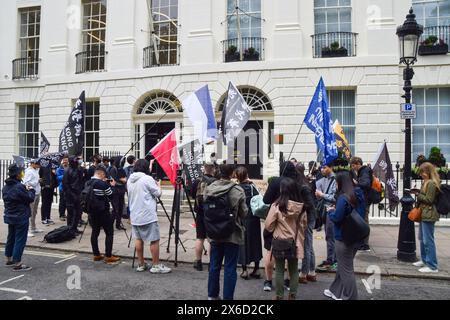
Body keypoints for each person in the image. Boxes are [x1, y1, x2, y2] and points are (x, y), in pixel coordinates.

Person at [205, 164, 247, 300]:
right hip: (232, 233)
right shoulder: (237, 190)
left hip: (214, 232)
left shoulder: (209, 188)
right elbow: (244, 212)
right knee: (230, 268)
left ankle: (212, 295)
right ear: (232, 173)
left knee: (214, 265)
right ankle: (228, 298)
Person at [324, 171, 365, 300]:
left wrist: (331, 212)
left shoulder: (343, 198)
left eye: (336, 182)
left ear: (341, 183)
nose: (335, 185)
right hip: (356, 234)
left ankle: (351, 297)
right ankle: (335, 291)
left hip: (343, 237)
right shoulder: (358, 194)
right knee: (343, 265)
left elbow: (337, 218)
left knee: (346, 270)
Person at [265, 178, 307, 300]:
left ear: (282, 190)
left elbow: (268, 225)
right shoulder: (301, 207)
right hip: (295, 241)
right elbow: (304, 224)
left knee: (279, 269)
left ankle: (279, 296)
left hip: (280, 240)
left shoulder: (277, 206)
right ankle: (292, 295)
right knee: (293, 270)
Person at [127, 159, 171, 274]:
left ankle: (141, 264)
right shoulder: (147, 179)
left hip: (135, 214)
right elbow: (158, 193)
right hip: (147, 215)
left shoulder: (130, 180)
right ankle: (155, 265)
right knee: (154, 240)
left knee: (138, 239)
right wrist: (159, 185)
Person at [262, 161, 298, 292]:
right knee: (290, 252)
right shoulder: (296, 183)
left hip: (275, 219)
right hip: (292, 222)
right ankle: (288, 281)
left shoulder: (275, 182)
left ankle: (268, 281)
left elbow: (266, 200)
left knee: (270, 251)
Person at [3, 164, 36, 271]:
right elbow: (30, 198)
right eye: (21, 172)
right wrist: (31, 190)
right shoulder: (19, 187)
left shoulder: (5, 187)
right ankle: (18, 263)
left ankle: (9, 258)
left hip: (10, 215)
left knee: (11, 237)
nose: (22, 174)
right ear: (17, 175)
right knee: (20, 239)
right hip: (20, 216)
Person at [86, 166, 121, 265]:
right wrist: (112, 185)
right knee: (109, 232)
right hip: (103, 212)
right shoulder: (102, 184)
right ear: (101, 174)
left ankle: (96, 254)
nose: (104, 177)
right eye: (104, 175)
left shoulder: (88, 182)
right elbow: (111, 195)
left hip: (92, 212)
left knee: (95, 232)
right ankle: (108, 256)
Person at [411, 162, 441, 273]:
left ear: (428, 172)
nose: (421, 175)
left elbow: (429, 200)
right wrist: (418, 192)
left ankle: (432, 266)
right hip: (424, 213)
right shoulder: (426, 182)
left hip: (429, 214)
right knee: (422, 239)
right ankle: (424, 260)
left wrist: (418, 194)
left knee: (428, 240)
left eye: (422, 172)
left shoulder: (432, 183)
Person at [235, 166, 263, 280]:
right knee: (255, 242)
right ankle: (256, 269)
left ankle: (245, 270)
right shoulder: (252, 187)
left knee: (242, 243)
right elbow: (260, 199)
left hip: (242, 218)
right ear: (247, 175)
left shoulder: (236, 188)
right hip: (254, 218)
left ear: (237, 177)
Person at [191, 163, 216, 271]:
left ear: (204, 169)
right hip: (212, 213)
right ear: (213, 170)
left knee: (200, 238)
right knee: (211, 239)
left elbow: (192, 194)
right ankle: (212, 263)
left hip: (200, 213)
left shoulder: (197, 181)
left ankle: (198, 262)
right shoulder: (216, 182)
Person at [296, 163, 318, 284]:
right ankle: (312, 272)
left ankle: (304, 273)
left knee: (307, 245)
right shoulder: (305, 182)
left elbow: (309, 204)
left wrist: (299, 207)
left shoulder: (303, 185)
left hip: (308, 218)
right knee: (309, 244)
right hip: (309, 217)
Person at [315, 163, 337, 273]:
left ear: (331, 167)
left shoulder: (335, 179)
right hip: (325, 210)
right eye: (321, 167)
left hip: (331, 210)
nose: (322, 169)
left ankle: (332, 261)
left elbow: (334, 197)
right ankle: (331, 259)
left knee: (331, 236)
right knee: (329, 236)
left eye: (324, 167)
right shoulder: (325, 179)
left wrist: (322, 194)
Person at [350, 157, 372, 251]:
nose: (353, 167)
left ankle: (365, 244)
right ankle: (362, 242)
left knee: (364, 221)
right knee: (362, 220)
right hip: (363, 199)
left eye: (353, 165)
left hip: (365, 200)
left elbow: (366, 184)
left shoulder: (364, 171)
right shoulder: (363, 171)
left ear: (358, 163)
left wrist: (357, 183)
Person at [63, 156, 85, 234]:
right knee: (71, 213)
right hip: (70, 195)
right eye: (75, 161)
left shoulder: (78, 169)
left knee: (78, 212)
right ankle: (70, 229)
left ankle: (75, 228)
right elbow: (65, 184)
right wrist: (72, 194)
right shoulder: (67, 171)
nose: (77, 162)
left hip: (78, 193)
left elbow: (81, 180)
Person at [23, 159, 42, 237]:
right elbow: (26, 183)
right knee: (29, 212)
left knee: (34, 211)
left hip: (37, 193)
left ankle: (33, 227)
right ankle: (27, 230)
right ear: (33, 164)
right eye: (37, 164)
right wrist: (37, 181)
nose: (39, 165)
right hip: (31, 194)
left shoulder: (35, 170)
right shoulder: (29, 172)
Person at [109, 156, 127, 230]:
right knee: (115, 209)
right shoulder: (112, 169)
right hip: (115, 192)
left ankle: (118, 224)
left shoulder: (122, 169)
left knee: (120, 209)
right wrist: (120, 180)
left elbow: (125, 179)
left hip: (121, 191)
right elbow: (113, 180)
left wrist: (121, 180)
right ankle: (110, 224)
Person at [56, 157, 69, 221]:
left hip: (69, 188)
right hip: (62, 187)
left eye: (66, 160)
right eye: (64, 160)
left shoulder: (69, 167)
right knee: (62, 202)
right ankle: (61, 214)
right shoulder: (59, 169)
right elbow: (58, 178)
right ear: (62, 161)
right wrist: (65, 175)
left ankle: (65, 214)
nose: (65, 161)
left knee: (68, 202)